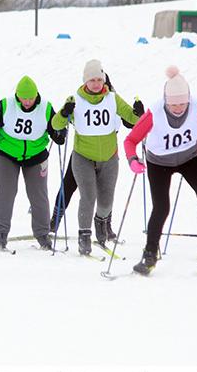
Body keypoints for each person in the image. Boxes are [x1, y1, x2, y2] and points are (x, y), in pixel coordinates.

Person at [124, 66, 197, 275]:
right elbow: (131, 140)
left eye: (182, 103)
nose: (179, 108)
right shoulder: (154, 112)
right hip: (159, 162)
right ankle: (150, 254)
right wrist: (132, 160)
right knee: (161, 207)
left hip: (190, 156)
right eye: (173, 104)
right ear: (165, 100)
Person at [51, 60, 141, 255]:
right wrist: (64, 112)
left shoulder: (113, 98)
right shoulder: (74, 99)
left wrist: (138, 113)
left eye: (99, 79)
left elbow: (133, 119)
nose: (96, 83)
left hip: (109, 157)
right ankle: (84, 236)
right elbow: (56, 124)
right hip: (83, 156)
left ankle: (102, 227)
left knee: (106, 200)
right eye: (92, 80)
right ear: (85, 81)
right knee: (88, 196)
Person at [0, 75, 66, 251]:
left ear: (36, 96)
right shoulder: (7, 105)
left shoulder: (45, 108)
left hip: (36, 156)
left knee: (38, 195)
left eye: (30, 98)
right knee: (6, 192)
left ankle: (42, 235)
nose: (26, 102)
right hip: (6, 154)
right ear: (17, 95)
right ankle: (1, 234)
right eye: (23, 98)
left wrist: (59, 134)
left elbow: (56, 127)